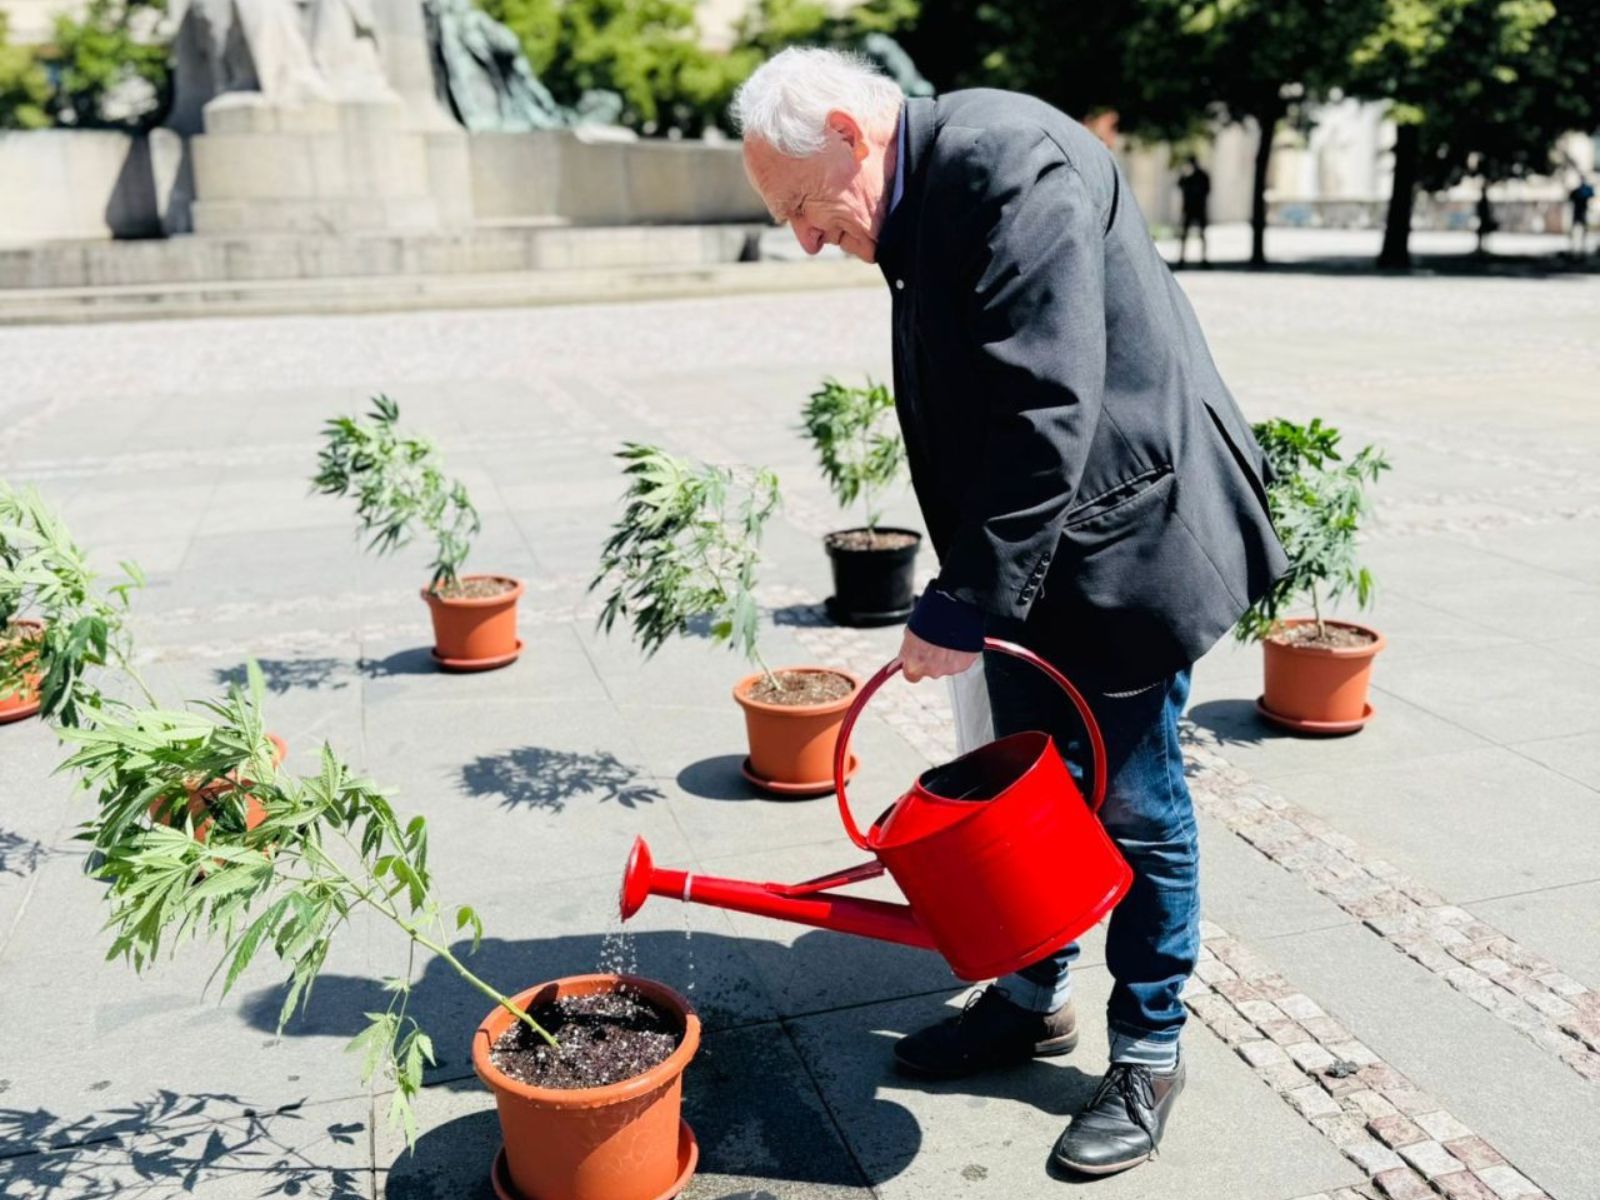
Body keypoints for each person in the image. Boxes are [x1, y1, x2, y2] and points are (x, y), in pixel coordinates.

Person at [732, 49, 1285, 1178]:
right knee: (1037, 786)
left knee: (1133, 800)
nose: (802, 237)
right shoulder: (922, 186)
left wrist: (965, 597)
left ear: (849, 131)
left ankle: (1150, 1049)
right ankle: (1035, 996)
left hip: (1127, 542)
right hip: (1045, 559)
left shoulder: (1002, 161)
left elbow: (1045, 404)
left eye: (799, 205)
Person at [1177, 158, 1211, 266]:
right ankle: (1183, 258)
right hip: (1191, 209)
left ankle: (1203, 259)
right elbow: (1180, 184)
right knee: (1186, 234)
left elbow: (1207, 190)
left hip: (1198, 208)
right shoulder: (1188, 176)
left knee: (1201, 234)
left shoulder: (1201, 176)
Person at [1570, 176, 1594, 257]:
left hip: (1583, 212)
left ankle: (1582, 245)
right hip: (1577, 212)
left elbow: (1591, 194)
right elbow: (1570, 197)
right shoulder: (1577, 191)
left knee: (1583, 229)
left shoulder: (1584, 190)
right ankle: (1573, 245)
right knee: (1575, 228)